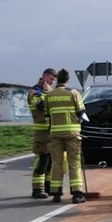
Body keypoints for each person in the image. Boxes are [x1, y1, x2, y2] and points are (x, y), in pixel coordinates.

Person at [45, 68, 88, 204]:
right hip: (72, 133)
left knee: (57, 163)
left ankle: (56, 193)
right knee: (74, 162)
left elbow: (47, 112)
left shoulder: (49, 95)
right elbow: (81, 112)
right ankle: (77, 194)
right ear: (68, 80)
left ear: (58, 79)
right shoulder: (73, 93)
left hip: (55, 133)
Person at [26, 68, 56, 198]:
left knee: (49, 162)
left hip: (51, 132)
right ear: (44, 77)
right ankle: (37, 189)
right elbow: (41, 106)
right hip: (41, 133)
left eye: (54, 80)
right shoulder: (34, 92)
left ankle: (47, 187)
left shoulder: (48, 91)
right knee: (42, 162)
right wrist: (49, 93)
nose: (52, 82)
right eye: (50, 79)